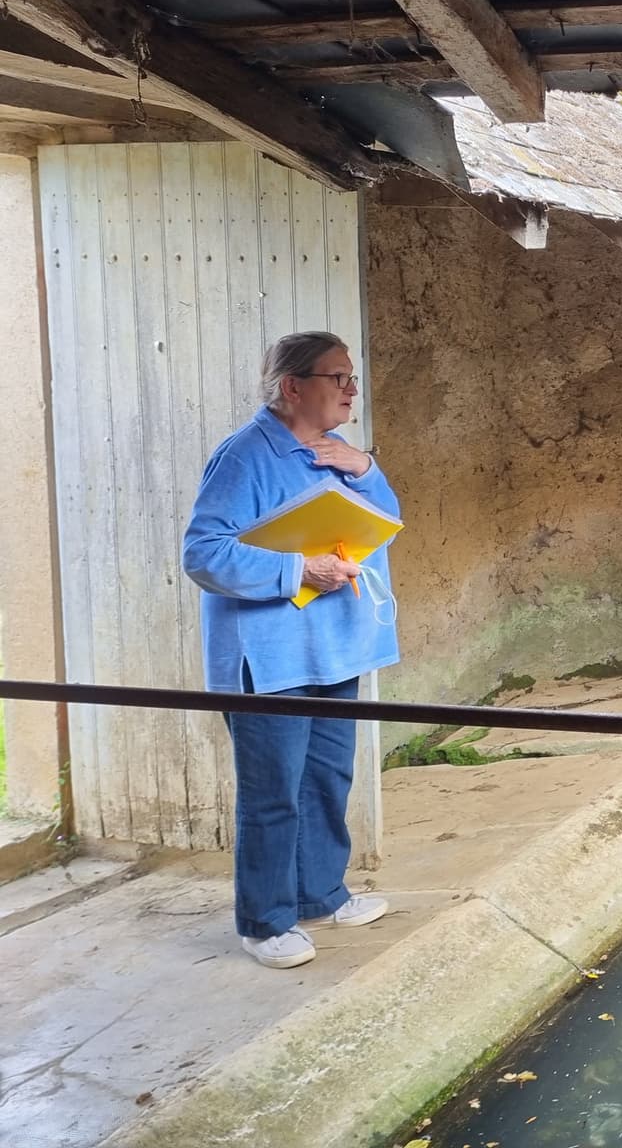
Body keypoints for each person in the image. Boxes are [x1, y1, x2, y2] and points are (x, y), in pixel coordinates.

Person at [183, 332, 401, 969]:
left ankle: (320, 893)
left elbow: (385, 521)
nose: (350, 390)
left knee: (327, 778)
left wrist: (365, 467)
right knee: (273, 791)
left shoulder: (337, 453)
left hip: (333, 648)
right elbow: (203, 553)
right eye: (337, 377)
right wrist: (295, 571)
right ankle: (264, 920)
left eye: (352, 377)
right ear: (292, 387)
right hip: (270, 656)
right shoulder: (245, 456)